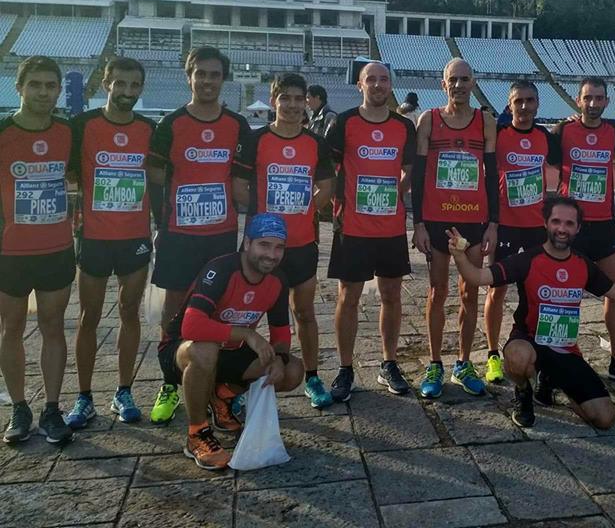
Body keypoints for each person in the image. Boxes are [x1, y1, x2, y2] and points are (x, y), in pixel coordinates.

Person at [447, 197, 615, 428]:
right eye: (556, 222)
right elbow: (478, 277)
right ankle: (523, 392)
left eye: (569, 223)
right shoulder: (527, 260)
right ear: (546, 224)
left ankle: (557, 382)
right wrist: (459, 257)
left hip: (565, 350)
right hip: (530, 342)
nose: (562, 229)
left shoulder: (582, 264)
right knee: (518, 357)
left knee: (605, 419)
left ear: (578, 229)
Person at [147, 47, 250, 425]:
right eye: (201, 74)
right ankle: (171, 380)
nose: (207, 81)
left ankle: (216, 383)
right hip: (179, 234)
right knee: (174, 307)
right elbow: (156, 176)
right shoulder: (170, 124)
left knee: (218, 310)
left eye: (214, 74)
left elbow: (240, 181)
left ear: (224, 79)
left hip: (220, 235)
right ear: (188, 77)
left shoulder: (237, 125)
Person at [157, 213, 304, 469]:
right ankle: (196, 434)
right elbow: (191, 326)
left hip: (229, 352)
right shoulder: (222, 268)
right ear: (247, 243)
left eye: (279, 247)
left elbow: (281, 333)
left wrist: (279, 359)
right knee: (205, 349)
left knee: (292, 370)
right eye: (264, 245)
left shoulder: (278, 280)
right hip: (182, 349)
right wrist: (247, 334)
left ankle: (222, 394)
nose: (272, 254)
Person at [233, 73, 335, 408]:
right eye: (284, 98)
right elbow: (238, 186)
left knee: (304, 312)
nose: (291, 105)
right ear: (274, 99)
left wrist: (306, 210)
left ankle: (313, 376)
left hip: (302, 245)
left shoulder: (315, 143)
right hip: (262, 250)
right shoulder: (256, 139)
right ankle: (232, 383)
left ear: (306, 101)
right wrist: (263, 222)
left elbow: (327, 188)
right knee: (246, 315)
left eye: (297, 99)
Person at [66, 57, 156, 429]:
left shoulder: (150, 129)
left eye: (134, 86)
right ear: (106, 84)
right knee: (88, 317)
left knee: (129, 314)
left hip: (134, 237)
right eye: (120, 84)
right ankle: (84, 396)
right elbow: (69, 174)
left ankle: (123, 391)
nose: (127, 92)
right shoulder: (82, 126)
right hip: (94, 237)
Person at [324, 62, 416, 400]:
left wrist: (394, 193)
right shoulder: (344, 122)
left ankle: (389, 363)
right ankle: (345, 369)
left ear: (391, 85)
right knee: (348, 297)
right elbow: (327, 166)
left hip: (390, 227)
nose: (378, 85)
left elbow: (408, 171)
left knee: (391, 296)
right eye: (371, 79)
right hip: (353, 227)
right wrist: (338, 200)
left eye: (383, 80)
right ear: (360, 84)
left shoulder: (403, 126)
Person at [412, 58, 498, 398]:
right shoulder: (429, 120)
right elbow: (418, 175)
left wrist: (493, 224)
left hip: (473, 219)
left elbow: (492, 175)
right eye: (453, 79)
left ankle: (463, 363)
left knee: (470, 292)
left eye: (465, 79)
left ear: (473, 83)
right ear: (443, 84)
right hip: (436, 219)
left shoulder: (485, 121)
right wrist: (417, 222)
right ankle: (435, 363)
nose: (459, 85)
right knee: (437, 292)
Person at [0, 56, 75, 445]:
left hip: (56, 250)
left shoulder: (67, 132)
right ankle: (18, 406)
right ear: (20, 87)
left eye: (51, 85)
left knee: (53, 327)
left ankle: (50, 407)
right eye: (36, 85)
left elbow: (79, 175)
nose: (44, 92)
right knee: (12, 328)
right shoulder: (3, 131)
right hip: (9, 254)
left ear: (59, 90)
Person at [554, 77, 615, 383]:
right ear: (578, 101)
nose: (593, 103)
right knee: (563, 295)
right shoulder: (564, 130)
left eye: (599, 98)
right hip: (570, 227)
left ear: (606, 102)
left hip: (603, 225)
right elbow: (546, 154)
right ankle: (558, 360)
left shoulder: (614, 130)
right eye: (588, 98)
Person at [483, 80, 561, 384]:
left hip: (535, 228)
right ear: (510, 104)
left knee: (535, 292)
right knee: (497, 290)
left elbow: (566, 162)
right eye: (519, 102)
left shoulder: (545, 136)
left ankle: (536, 348)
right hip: (504, 225)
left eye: (530, 101)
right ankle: (492, 354)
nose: (525, 107)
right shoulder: (499, 135)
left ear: (538, 104)